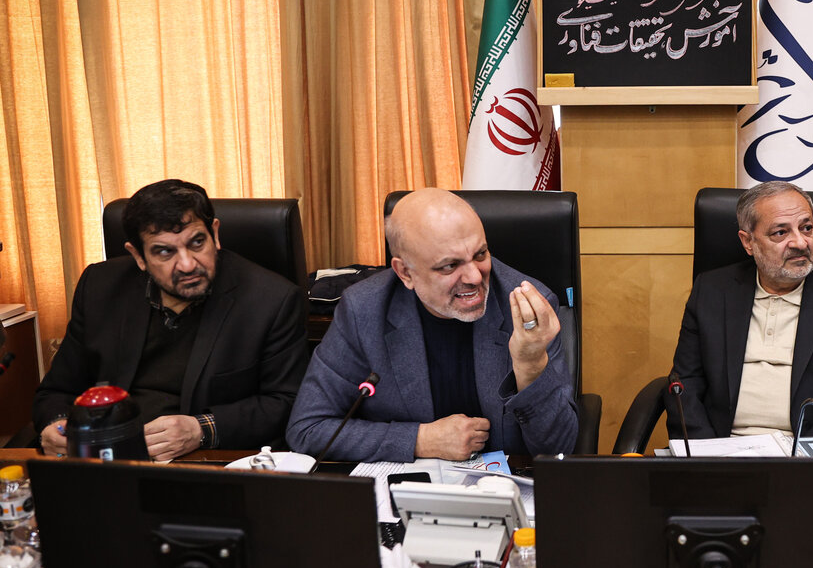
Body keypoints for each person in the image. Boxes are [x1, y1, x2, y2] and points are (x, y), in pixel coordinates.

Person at [286, 188, 578, 462]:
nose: (475, 277)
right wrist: (419, 440)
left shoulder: (528, 309)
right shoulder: (364, 310)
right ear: (405, 272)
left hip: (505, 487)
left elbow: (559, 450)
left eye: (480, 255)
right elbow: (307, 429)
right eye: (450, 266)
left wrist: (530, 366)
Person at [33, 180, 309, 461]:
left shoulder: (271, 300)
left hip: (202, 462)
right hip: (108, 458)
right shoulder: (100, 287)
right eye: (165, 251)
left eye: (197, 242)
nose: (188, 264)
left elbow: (286, 402)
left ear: (215, 234)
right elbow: (57, 390)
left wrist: (202, 428)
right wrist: (55, 424)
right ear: (138, 255)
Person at [668, 181, 813, 439]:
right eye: (780, 233)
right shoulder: (711, 291)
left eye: (806, 228)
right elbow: (684, 385)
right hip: (721, 447)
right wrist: (706, 453)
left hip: (811, 450)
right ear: (748, 242)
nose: (801, 243)